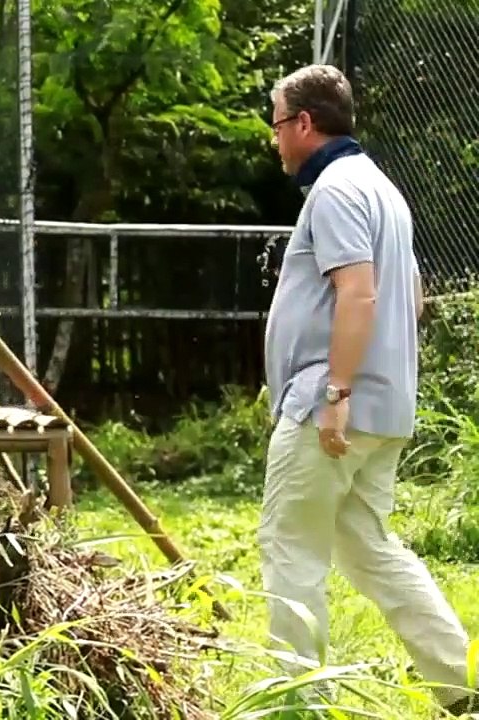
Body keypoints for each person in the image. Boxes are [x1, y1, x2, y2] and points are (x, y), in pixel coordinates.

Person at [260, 64, 473, 713]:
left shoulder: (334, 191)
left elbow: (358, 289)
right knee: (370, 547)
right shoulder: (382, 188)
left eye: (276, 124)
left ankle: (296, 699)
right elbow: (411, 298)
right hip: (383, 409)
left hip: (332, 410)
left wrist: (337, 391)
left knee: (288, 544)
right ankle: (460, 682)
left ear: (303, 122)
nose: (274, 140)